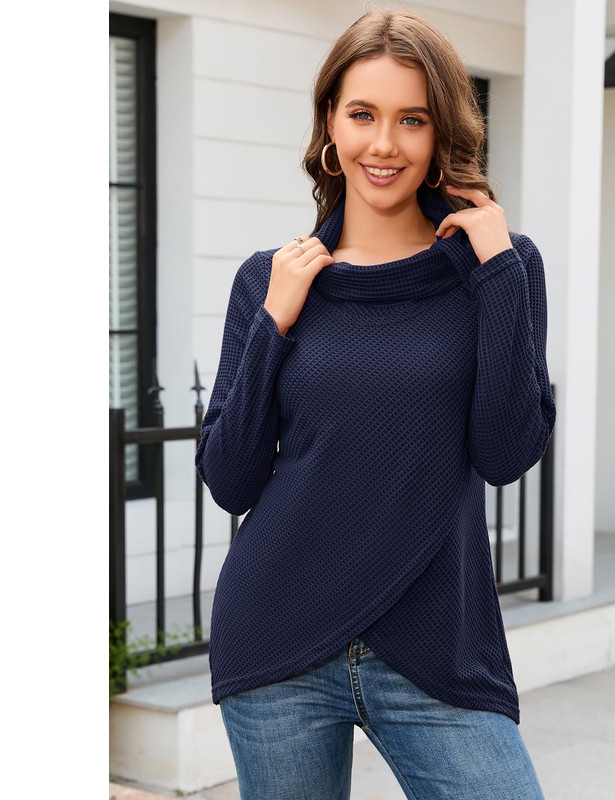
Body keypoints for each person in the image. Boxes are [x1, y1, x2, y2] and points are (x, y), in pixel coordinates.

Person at [196, 8, 555, 799]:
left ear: (441, 132)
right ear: (331, 121)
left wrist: (496, 270)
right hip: (277, 640)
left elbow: (506, 453)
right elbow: (230, 479)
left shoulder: (500, 266)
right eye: (363, 114)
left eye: (412, 119)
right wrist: (274, 320)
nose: (384, 144)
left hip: (436, 648)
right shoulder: (271, 277)